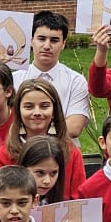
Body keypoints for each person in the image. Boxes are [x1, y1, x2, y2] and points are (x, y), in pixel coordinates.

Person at [22, 10, 91, 141]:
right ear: (31, 40)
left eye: (54, 40)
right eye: (41, 39)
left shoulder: (76, 81)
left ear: (63, 44)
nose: (47, 46)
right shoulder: (15, 79)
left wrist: (29, 130)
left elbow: (74, 127)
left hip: (64, 153)